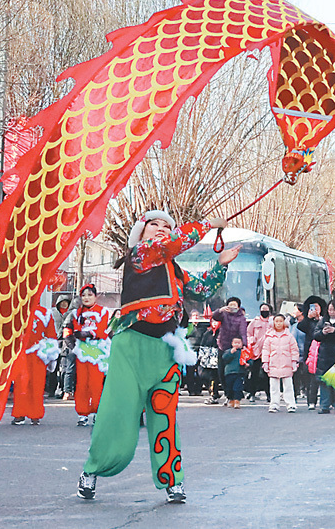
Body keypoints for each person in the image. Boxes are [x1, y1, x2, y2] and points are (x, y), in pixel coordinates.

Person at [76, 211, 241, 503]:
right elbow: (171, 244)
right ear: (141, 232)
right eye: (154, 224)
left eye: (167, 225)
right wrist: (208, 224)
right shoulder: (140, 254)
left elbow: (201, 289)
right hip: (131, 348)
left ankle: (172, 481)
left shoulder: (174, 269)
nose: (162, 228)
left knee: (165, 417)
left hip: (166, 350)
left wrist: (220, 265)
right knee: (117, 413)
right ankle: (93, 469)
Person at [62, 284, 110, 426]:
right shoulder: (75, 313)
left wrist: (89, 333)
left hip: (98, 353)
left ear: (96, 296)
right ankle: (82, 413)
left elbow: (104, 330)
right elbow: (67, 329)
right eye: (83, 295)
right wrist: (71, 344)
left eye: (90, 295)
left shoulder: (103, 312)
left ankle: (96, 412)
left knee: (96, 384)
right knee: (82, 383)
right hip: (81, 352)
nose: (86, 298)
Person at [11, 305, 58, 425]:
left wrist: (50, 354)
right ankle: (19, 413)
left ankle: (35, 414)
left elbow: (51, 335)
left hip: (38, 353)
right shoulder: (17, 310)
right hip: (20, 353)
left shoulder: (45, 313)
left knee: (37, 384)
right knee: (20, 384)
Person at [314, 300, 335, 414]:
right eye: (329, 310)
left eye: (333, 310)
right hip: (325, 355)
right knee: (324, 381)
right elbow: (315, 335)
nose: (331, 312)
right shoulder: (323, 321)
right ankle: (324, 406)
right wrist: (323, 332)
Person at [212, 297, 247, 401]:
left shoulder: (241, 317)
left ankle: (234, 396)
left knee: (232, 373)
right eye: (230, 304)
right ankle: (228, 394)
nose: (232, 307)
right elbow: (215, 316)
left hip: (235, 347)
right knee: (221, 372)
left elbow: (243, 332)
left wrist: (244, 345)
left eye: (234, 305)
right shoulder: (224, 314)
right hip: (223, 345)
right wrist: (220, 310)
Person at [262, 314, 299, 413]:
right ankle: (274, 404)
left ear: (284, 323)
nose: (278, 323)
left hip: (286, 364)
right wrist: (265, 362)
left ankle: (291, 405)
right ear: (273, 323)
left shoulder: (289, 336)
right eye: (276, 321)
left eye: (280, 321)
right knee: (274, 387)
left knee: (288, 386)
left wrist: (294, 361)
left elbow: (294, 350)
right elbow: (266, 350)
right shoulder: (269, 337)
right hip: (273, 364)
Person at [298, 296, 327, 410]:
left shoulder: (325, 319)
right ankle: (311, 401)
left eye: (317, 307)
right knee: (311, 377)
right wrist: (308, 318)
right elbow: (300, 327)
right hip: (310, 350)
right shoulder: (307, 321)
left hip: (323, 349)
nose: (315, 309)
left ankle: (327, 400)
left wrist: (320, 319)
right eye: (312, 307)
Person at [246, 303, 273, 403]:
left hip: (269, 351)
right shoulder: (255, 322)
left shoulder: (272, 321)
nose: (264, 311)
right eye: (262, 309)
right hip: (256, 352)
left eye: (266, 309)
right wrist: (252, 341)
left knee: (268, 375)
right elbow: (248, 333)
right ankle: (252, 393)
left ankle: (269, 395)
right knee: (254, 374)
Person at [49, 294, 72, 398]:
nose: (64, 304)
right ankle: (51, 389)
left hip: (66, 342)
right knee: (53, 367)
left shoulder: (71, 313)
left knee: (65, 367)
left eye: (66, 302)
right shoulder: (52, 312)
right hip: (55, 342)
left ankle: (63, 390)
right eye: (62, 302)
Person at [197, 318, 220, 404]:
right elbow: (202, 345)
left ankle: (214, 395)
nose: (214, 323)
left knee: (214, 378)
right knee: (203, 375)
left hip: (216, 359)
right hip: (206, 359)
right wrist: (201, 356)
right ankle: (213, 392)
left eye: (216, 321)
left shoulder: (222, 333)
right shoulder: (208, 333)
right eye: (213, 321)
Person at [223, 336, 249, 408]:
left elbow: (249, 359)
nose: (237, 344)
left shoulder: (244, 352)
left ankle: (237, 401)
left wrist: (248, 364)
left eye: (239, 343)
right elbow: (224, 358)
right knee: (229, 387)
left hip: (239, 372)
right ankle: (231, 399)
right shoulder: (228, 351)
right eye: (235, 343)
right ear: (232, 343)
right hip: (229, 372)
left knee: (237, 387)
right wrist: (231, 353)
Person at [289, 303, 307, 401]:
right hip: (294, 354)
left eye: (295, 310)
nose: (293, 312)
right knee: (295, 376)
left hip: (305, 354)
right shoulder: (293, 325)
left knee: (305, 374)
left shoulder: (306, 324)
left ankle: (305, 390)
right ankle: (295, 394)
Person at [184, 310, 204, 395]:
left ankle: (198, 390)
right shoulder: (188, 327)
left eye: (197, 316)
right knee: (190, 372)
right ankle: (191, 390)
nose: (195, 317)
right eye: (194, 316)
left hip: (200, 350)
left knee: (200, 372)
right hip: (190, 351)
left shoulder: (202, 327)